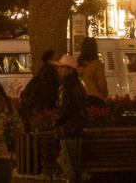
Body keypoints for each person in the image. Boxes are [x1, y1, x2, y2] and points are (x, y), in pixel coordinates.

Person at [52, 54, 88, 183]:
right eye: (59, 67)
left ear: (70, 69)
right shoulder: (80, 83)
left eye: (63, 68)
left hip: (67, 128)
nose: (59, 70)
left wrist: (55, 121)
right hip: (77, 128)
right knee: (75, 163)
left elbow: (62, 108)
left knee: (70, 163)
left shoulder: (65, 85)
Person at [18, 50, 60, 128]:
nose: (58, 60)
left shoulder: (46, 71)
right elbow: (49, 91)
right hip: (47, 105)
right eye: (55, 58)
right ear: (49, 61)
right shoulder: (49, 73)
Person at [76, 37, 108, 108]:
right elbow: (102, 83)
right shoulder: (97, 64)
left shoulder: (79, 65)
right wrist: (105, 94)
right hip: (95, 98)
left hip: (82, 98)